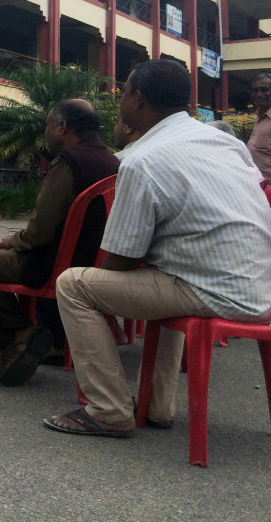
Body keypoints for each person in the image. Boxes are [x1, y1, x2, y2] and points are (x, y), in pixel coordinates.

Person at [44, 61, 271, 438]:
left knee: (74, 284)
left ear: (137, 99)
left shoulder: (141, 160)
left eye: (124, 91)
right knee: (171, 279)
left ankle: (108, 409)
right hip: (262, 288)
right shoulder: (225, 142)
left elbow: (121, 259)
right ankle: (157, 407)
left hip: (214, 291)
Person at [0, 99, 120, 387]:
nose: (45, 133)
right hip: (87, 261)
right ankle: (20, 335)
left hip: (49, 264)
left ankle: (15, 338)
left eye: (47, 126)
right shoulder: (111, 161)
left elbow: (38, 233)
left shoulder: (69, 163)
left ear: (62, 126)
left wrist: (13, 239)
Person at [246, 72, 271, 179]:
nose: (259, 94)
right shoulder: (258, 116)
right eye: (255, 91)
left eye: (264, 90)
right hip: (258, 186)